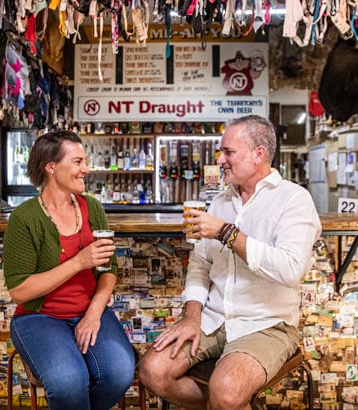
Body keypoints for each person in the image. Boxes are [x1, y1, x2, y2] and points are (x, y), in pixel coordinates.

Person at [138, 115, 322, 410]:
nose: (220, 159)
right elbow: (200, 264)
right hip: (214, 319)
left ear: (258, 154)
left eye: (228, 152)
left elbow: (290, 269)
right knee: (153, 371)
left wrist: (226, 232)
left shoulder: (294, 199)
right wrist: (192, 317)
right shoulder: (220, 202)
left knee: (226, 390)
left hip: (267, 324)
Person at [3, 131, 135, 410]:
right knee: (68, 383)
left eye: (84, 161)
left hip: (88, 312)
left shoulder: (92, 208)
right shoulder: (25, 217)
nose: (85, 169)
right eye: (77, 162)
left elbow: (108, 271)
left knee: (120, 373)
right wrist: (78, 262)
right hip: (39, 318)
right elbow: (19, 290)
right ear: (51, 167)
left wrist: (93, 314)